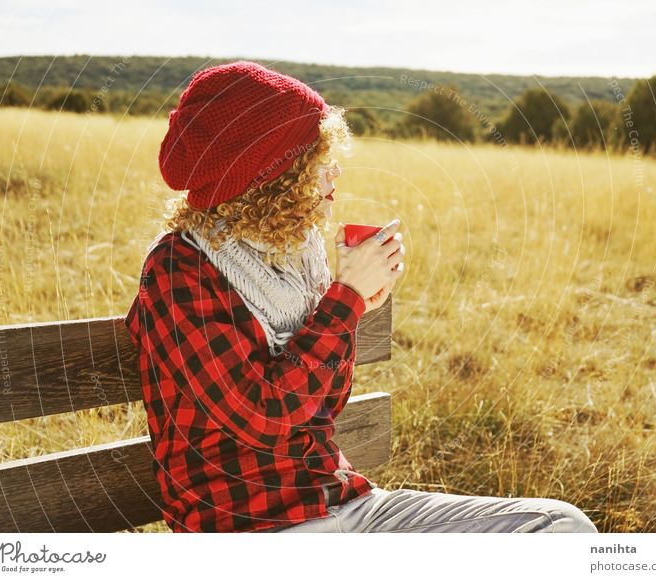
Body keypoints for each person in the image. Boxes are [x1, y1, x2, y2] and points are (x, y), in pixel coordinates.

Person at [124, 60, 598, 534]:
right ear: (273, 174)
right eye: (318, 165)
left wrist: (352, 303)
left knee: (559, 527)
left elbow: (324, 404)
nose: (333, 182)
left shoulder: (295, 256)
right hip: (259, 527)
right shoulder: (178, 269)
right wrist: (345, 300)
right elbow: (263, 417)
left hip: (347, 504)